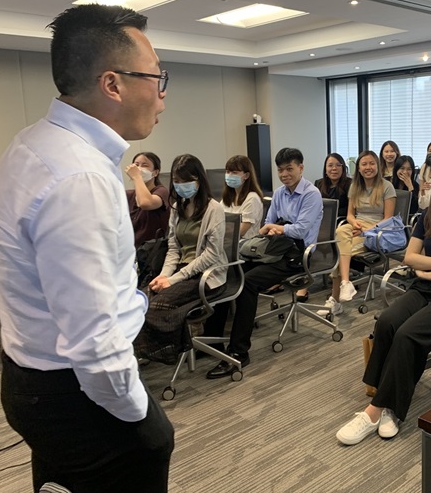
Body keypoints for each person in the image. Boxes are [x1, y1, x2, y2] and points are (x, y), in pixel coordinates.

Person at [0, 4, 174, 492]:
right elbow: (93, 339)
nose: (163, 96)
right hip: (78, 393)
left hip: (32, 376)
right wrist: (140, 418)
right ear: (113, 84)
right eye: (157, 78)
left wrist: (25, 317)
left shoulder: (31, 144)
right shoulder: (80, 176)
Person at [336, 154, 431, 446]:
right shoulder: (428, 216)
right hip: (423, 287)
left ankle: (376, 411)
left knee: (407, 334)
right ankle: (387, 402)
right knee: (386, 322)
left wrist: (428, 269)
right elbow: (410, 257)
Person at [202, 147, 323, 379]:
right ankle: (212, 340)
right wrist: (276, 228)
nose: (284, 174)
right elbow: (267, 223)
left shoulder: (311, 194)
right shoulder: (279, 193)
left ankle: (239, 352)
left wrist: (277, 228)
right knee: (228, 273)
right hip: (273, 249)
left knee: (247, 283)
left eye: (289, 169)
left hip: (297, 256)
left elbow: (300, 230)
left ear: (301, 168)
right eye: (280, 170)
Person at [135, 154, 227, 365]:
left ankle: (169, 349)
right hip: (180, 271)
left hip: (206, 275)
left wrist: (174, 279)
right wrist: (164, 276)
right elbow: (174, 248)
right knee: (142, 300)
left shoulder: (214, 209)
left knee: (157, 306)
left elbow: (211, 255)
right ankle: (162, 348)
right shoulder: (178, 208)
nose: (180, 185)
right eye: (176, 181)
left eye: (186, 180)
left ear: (199, 180)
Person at [324, 151, 397, 315]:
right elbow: (350, 214)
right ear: (358, 168)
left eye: (371, 163)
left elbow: (388, 219)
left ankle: (336, 299)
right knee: (340, 231)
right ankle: (345, 282)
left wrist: (366, 230)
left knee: (339, 253)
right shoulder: (355, 186)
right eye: (364, 164)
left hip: (377, 230)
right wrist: (354, 223)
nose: (368, 167)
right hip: (357, 226)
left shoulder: (387, 186)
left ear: (377, 166)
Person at [125, 151, 171, 247]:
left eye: (144, 165)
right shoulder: (128, 195)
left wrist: (137, 177)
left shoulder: (161, 191)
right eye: (136, 165)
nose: (139, 169)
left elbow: (145, 203)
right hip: (131, 249)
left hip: (152, 250)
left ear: (155, 172)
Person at [220, 154, 265, 242]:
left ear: (246, 175)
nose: (229, 175)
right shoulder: (228, 197)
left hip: (245, 244)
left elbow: (240, 231)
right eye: (228, 172)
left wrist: (221, 231)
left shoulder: (252, 198)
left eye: (234, 172)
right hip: (227, 242)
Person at [314, 152, 352, 219]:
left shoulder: (350, 184)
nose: (334, 168)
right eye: (330, 165)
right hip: (321, 220)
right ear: (325, 169)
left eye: (338, 165)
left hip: (341, 220)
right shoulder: (318, 183)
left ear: (343, 168)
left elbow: (351, 210)